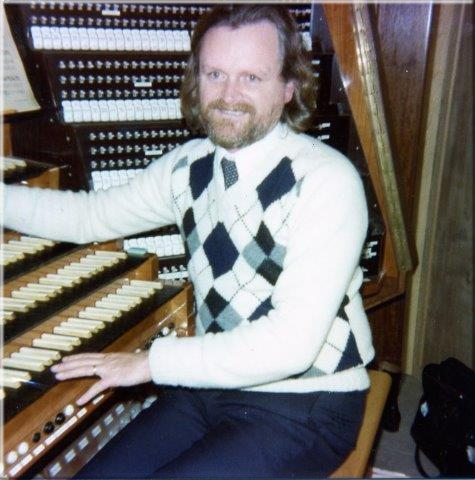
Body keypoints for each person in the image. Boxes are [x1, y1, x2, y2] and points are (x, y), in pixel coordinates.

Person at [3, 4, 374, 478]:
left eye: (251, 78)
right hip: (211, 388)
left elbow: (291, 344)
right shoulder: (189, 166)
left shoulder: (326, 180)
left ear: (288, 87)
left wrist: (150, 363)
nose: (228, 95)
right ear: (196, 81)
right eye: (215, 73)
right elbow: (90, 216)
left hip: (307, 401)